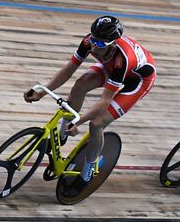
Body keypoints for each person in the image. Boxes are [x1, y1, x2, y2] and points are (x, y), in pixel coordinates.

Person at [24, 14, 156, 183]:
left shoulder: (122, 59)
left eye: (100, 43)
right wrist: (43, 91)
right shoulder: (89, 42)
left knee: (96, 124)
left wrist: (79, 121)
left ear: (113, 44)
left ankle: (89, 169)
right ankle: (63, 134)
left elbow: (105, 100)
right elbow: (68, 70)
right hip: (111, 66)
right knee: (80, 85)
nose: (94, 46)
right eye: (94, 39)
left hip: (137, 81)